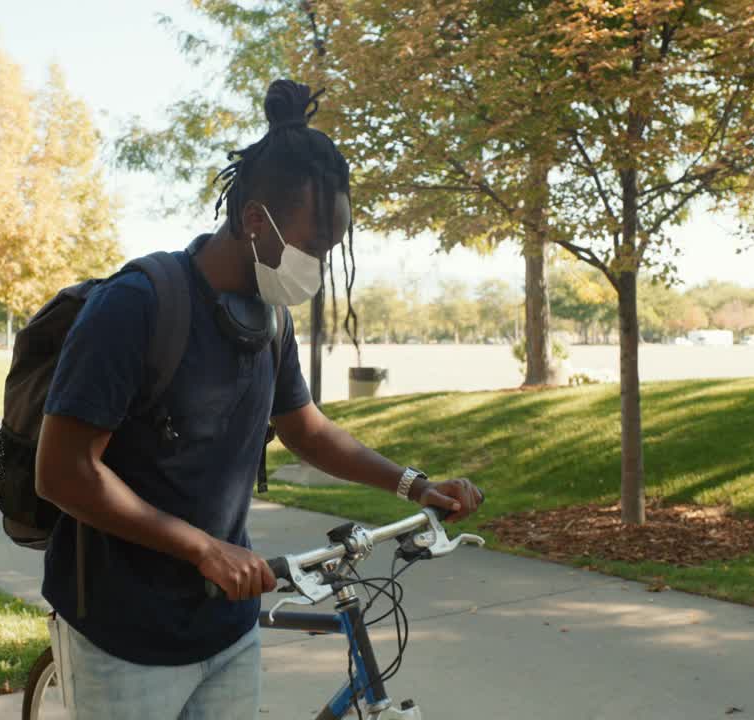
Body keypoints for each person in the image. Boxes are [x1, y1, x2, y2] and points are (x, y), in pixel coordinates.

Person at [34, 79, 482, 719]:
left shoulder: (270, 318)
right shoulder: (136, 306)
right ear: (253, 221)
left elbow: (307, 430)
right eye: (313, 246)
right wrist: (203, 548)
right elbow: (63, 472)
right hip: (121, 634)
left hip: (227, 625)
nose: (319, 266)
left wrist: (414, 485)